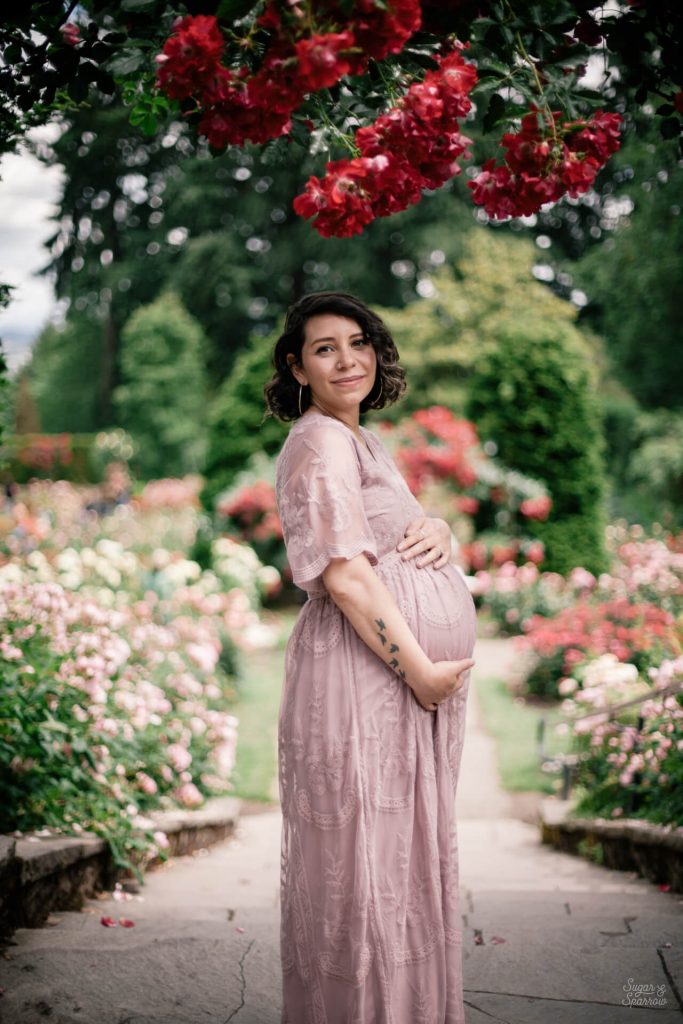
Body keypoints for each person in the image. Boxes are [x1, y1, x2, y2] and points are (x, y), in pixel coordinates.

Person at [264, 291, 477, 1024]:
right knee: (367, 871)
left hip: (385, 682)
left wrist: (437, 528)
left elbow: (390, 538)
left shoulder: (357, 439)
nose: (347, 359)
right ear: (297, 366)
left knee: (393, 866)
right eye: (325, 348)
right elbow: (345, 574)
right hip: (370, 679)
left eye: (357, 342)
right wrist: (419, 671)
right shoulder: (319, 439)